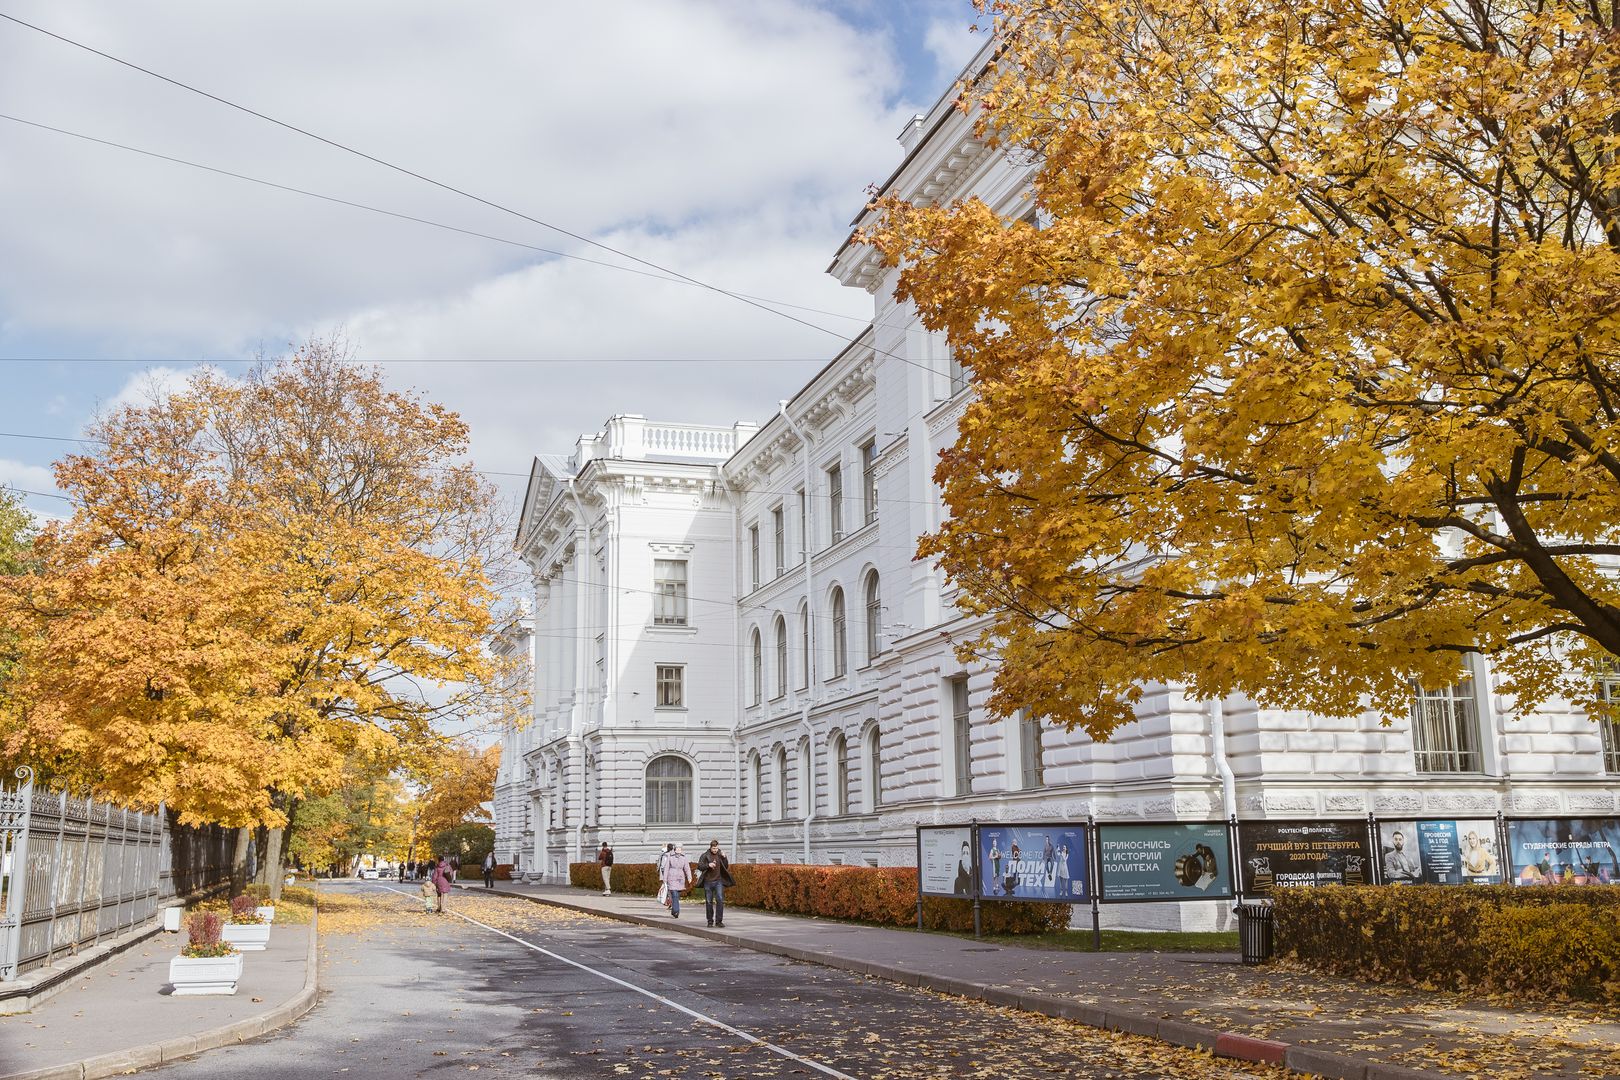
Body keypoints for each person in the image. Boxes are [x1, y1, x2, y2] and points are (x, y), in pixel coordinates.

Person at [695, 840, 735, 926]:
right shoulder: (705, 855)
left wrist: (725, 858)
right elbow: (700, 866)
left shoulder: (720, 854)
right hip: (708, 881)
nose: (715, 850)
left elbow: (726, 866)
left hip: (718, 881)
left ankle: (719, 921)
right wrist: (708, 865)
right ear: (710, 847)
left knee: (720, 900)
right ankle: (710, 921)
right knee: (709, 902)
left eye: (716, 848)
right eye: (713, 848)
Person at [659, 842, 691, 918]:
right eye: (677, 848)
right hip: (671, 877)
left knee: (677, 895)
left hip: (680, 878)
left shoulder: (684, 857)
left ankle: (674, 910)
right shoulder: (670, 856)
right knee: (674, 894)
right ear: (675, 849)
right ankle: (676, 911)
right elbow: (666, 868)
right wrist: (665, 879)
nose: (679, 850)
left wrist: (689, 877)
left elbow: (687, 868)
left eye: (680, 848)